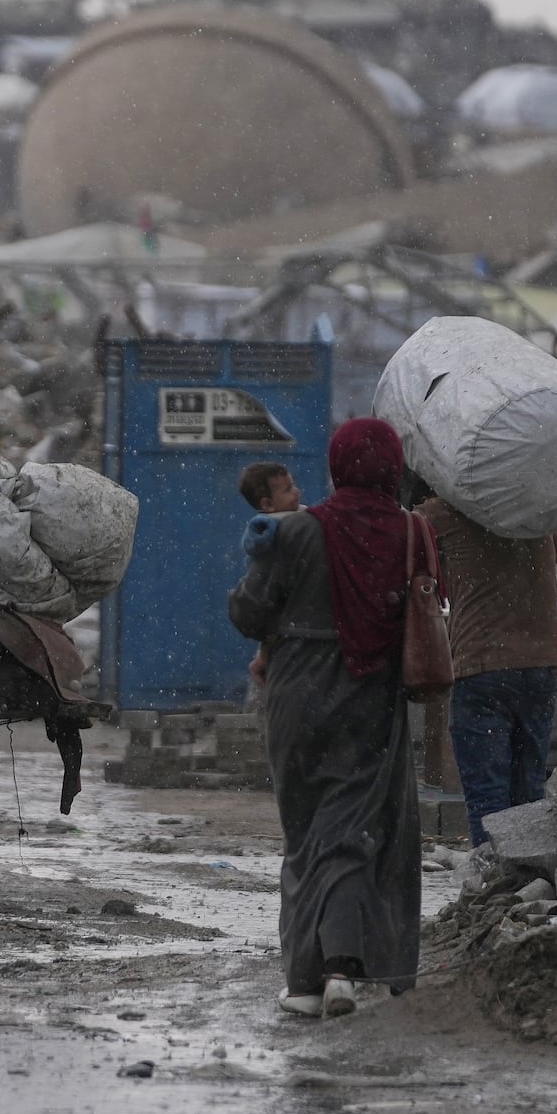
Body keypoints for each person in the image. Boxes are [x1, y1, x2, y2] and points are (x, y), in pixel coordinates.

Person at [227, 418, 432, 1021]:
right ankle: (352, 965)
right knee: (355, 828)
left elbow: (248, 612)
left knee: (307, 829)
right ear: (392, 468)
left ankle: (312, 978)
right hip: (370, 698)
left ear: (339, 465)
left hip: (297, 696)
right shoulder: (412, 531)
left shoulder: (296, 531)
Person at [417, 496, 557, 846]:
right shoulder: (541, 504)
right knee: (528, 794)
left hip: (482, 662)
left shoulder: (445, 510)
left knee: (488, 799)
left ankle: (491, 885)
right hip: (540, 660)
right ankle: (526, 885)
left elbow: (407, 541)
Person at [238, 461, 304, 695]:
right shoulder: (274, 533)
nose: (296, 492)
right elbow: (269, 599)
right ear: (267, 504)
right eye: (287, 490)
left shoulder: (290, 521)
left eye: (293, 486)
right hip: (291, 636)